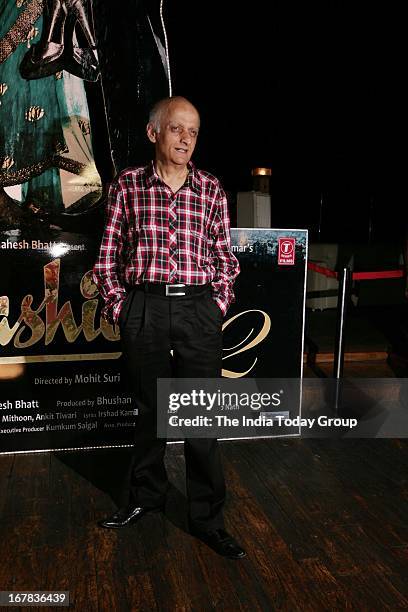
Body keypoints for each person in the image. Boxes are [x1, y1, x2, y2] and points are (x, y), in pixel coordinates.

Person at [93, 96, 245, 559]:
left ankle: (207, 519)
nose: (186, 139)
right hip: (147, 309)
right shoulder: (128, 186)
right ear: (153, 132)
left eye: (193, 132)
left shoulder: (212, 189)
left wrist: (215, 305)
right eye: (177, 129)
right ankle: (145, 498)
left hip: (198, 310)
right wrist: (124, 309)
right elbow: (107, 260)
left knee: (200, 419)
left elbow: (226, 260)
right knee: (150, 414)